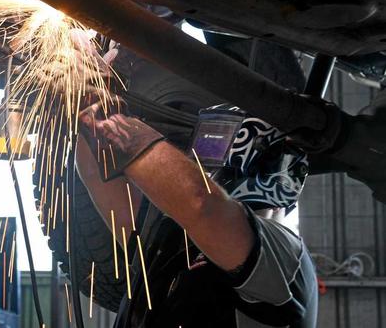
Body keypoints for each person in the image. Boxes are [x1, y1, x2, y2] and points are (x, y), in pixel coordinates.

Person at [74, 96, 318, 327]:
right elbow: (97, 175)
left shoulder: (283, 259)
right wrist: (81, 104)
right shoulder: (172, 245)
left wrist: (112, 122)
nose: (193, 162)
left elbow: (201, 204)